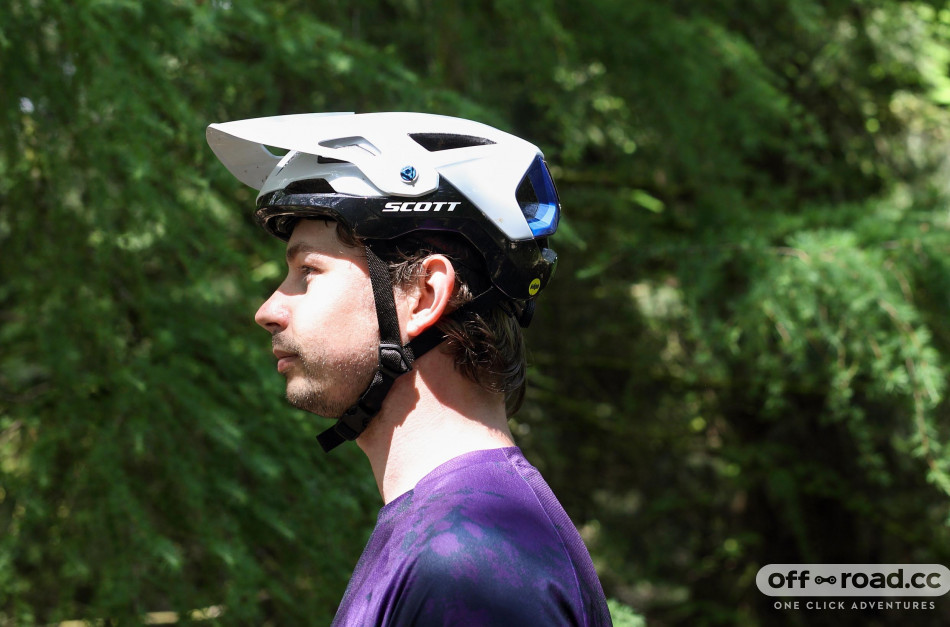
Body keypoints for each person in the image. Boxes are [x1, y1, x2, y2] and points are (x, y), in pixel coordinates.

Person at [207, 112, 612, 626]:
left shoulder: (469, 564)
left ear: (422, 296)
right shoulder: (456, 530)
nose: (267, 309)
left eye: (308, 271)